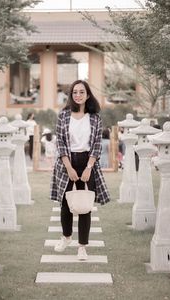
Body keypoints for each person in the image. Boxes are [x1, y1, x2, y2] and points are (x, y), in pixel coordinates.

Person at [50, 79, 110, 260]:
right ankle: (66, 237)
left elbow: (97, 145)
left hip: (88, 161)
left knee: (85, 205)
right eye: (74, 92)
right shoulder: (63, 115)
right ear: (71, 95)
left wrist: (89, 168)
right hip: (66, 161)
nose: (77, 95)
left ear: (88, 95)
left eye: (81, 92)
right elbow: (60, 142)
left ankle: (82, 246)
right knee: (65, 203)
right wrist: (68, 167)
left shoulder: (95, 118)